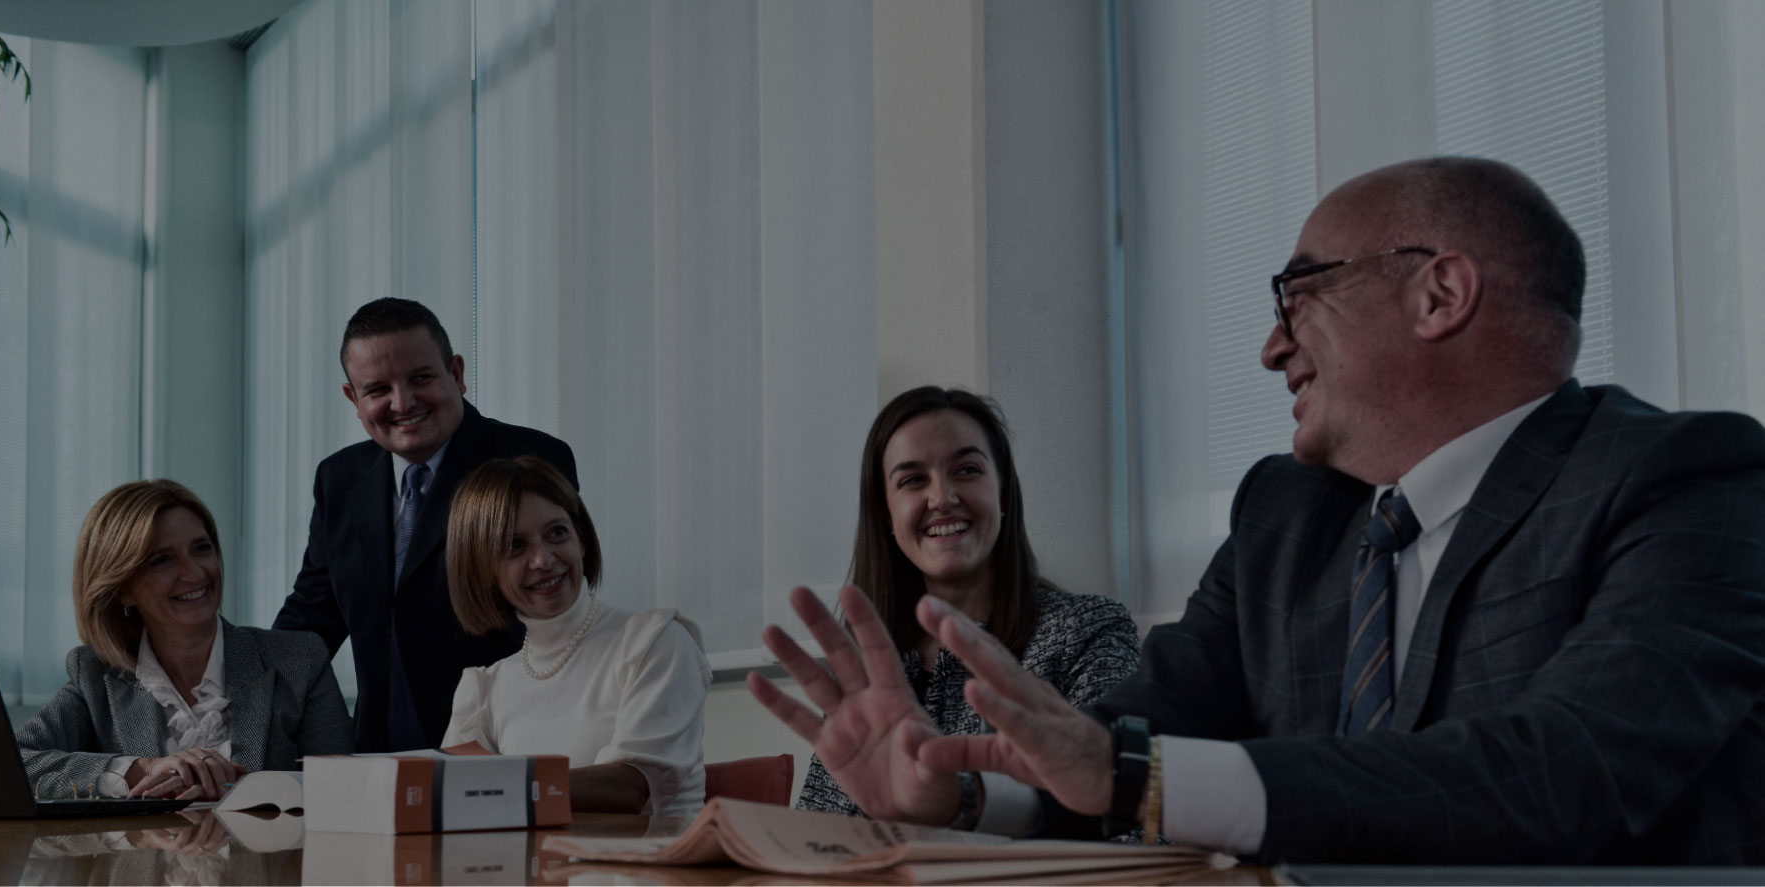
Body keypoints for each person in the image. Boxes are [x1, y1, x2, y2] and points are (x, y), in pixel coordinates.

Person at [751, 157, 1765, 864]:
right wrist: (966, 792)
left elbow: (1561, 773)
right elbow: (1123, 735)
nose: (1271, 347)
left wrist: (1135, 775)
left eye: (1299, 293)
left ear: (1440, 294)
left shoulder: (1688, 479)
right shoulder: (1287, 512)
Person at [796, 386, 1140, 826]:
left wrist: (956, 805)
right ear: (885, 513)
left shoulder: (1087, 632)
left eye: (966, 470)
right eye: (913, 480)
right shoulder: (865, 669)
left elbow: (1134, 827)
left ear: (1003, 492)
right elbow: (815, 835)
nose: (942, 498)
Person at [274, 298, 580, 752]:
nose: (403, 403)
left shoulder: (530, 460)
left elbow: (555, 608)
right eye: (378, 389)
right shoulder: (338, 478)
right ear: (354, 399)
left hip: (499, 745)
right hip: (377, 754)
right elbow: (313, 616)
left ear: (456, 373)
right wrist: (239, 694)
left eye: (420, 378)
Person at [18, 480, 354, 800]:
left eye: (201, 549)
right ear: (122, 589)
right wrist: (138, 770)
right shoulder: (95, 674)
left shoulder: (299, 660)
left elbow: (341, 787)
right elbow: (13, 764)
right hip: (142, 845)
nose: (194, 573)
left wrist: (239, 789)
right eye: (162, 560)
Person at [439, 456, 710, 817]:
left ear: (581, 539)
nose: (543, 560)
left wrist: (488, 788)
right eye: (514, 545)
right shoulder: (485, 688)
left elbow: (629, 788)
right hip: (534, 856)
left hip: (653, 854)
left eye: (557, 533)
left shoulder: (656, 641)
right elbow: (453, 805)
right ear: (483, 569)